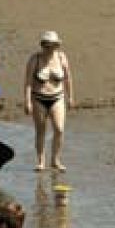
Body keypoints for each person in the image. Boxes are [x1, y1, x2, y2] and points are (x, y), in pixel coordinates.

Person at [23, 31, 73, 171]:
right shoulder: (35, 59)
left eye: (52, 45)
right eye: (47, 45)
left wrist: (70, 97)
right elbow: (28, 82)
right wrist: (27, 101)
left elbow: (68, 78)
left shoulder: (62, 57)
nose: (49, 48)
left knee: (59, 129)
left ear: (57, 45)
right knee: (41, 130)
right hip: (39, 98)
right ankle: (40, 161)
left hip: (57, 97)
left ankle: (55, 159)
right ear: (43, 45)